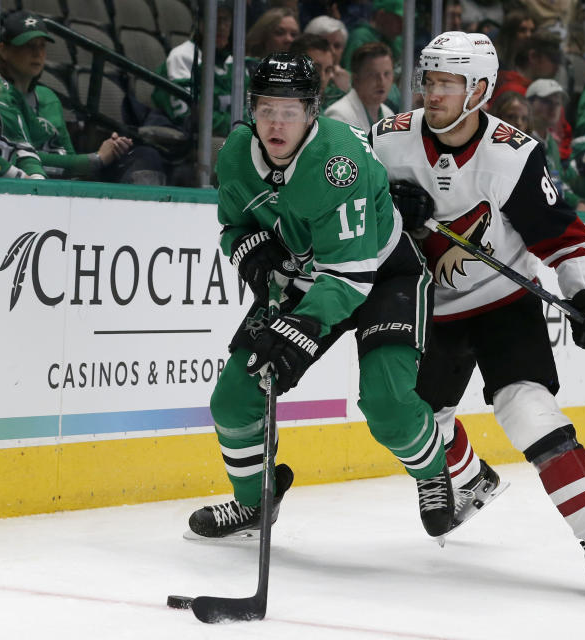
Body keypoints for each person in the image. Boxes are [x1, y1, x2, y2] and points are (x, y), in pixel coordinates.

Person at [369, 31, 585, 601]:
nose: (434, 93)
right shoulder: (388, 142)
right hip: (425, 305)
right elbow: (351, 207)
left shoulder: (512, 153)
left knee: (528, 408)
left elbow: (561, 235)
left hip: (503, 301)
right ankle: (471, 480)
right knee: (419, 419)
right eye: (429, 81)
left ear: (481, 90)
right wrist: (387, 209)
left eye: (448, 83)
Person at [187, 53, 456, 541]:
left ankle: (434, 471)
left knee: (388, 404)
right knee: (233, 399)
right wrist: (250, 249)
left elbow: (351, 278)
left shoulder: (338, 165)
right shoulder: (235, 155)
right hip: (305, 281)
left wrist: (297, 332)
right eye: (266, 109)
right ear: (251, 110)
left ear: (313, 112)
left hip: (381, 274)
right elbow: (235, 225)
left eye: (290, 111)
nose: (276, 123)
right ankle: (254, 504)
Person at [0, 11, 165, 183]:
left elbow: (70, 157)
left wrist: (109, 150)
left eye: (42, 46)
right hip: (25, 186)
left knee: (145, 155)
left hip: (66, 181)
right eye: (28, 45)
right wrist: (95, 159)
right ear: (3, 51)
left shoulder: (48, 97)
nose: (37, 53)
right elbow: (14, 155)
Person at [152, 0, 247, 138]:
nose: (221, 27)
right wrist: (241, 126)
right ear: (200, 23)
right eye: (215, 18)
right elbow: (190, 117)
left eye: (225, 19)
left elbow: (253, 110)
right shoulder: (181, 58)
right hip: (198, 146)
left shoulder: (234, 63)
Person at [525, 78, 579, 208]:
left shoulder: (552, 144)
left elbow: (557, 182)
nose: (553, 107)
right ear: (528, 104)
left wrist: (578, 202)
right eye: (546, 101)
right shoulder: (522, 140)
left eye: (557, 103)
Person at [324, 42, 395, 131]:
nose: (382, 81)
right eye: (373, 75)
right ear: (356, 79)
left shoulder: (389, 114)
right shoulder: (338, 116)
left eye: (387, 74)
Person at [303, 15, 351, 106]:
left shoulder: (352, 79)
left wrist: (346, 91)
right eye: (325, 44)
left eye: (337, 46)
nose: (332, 51)